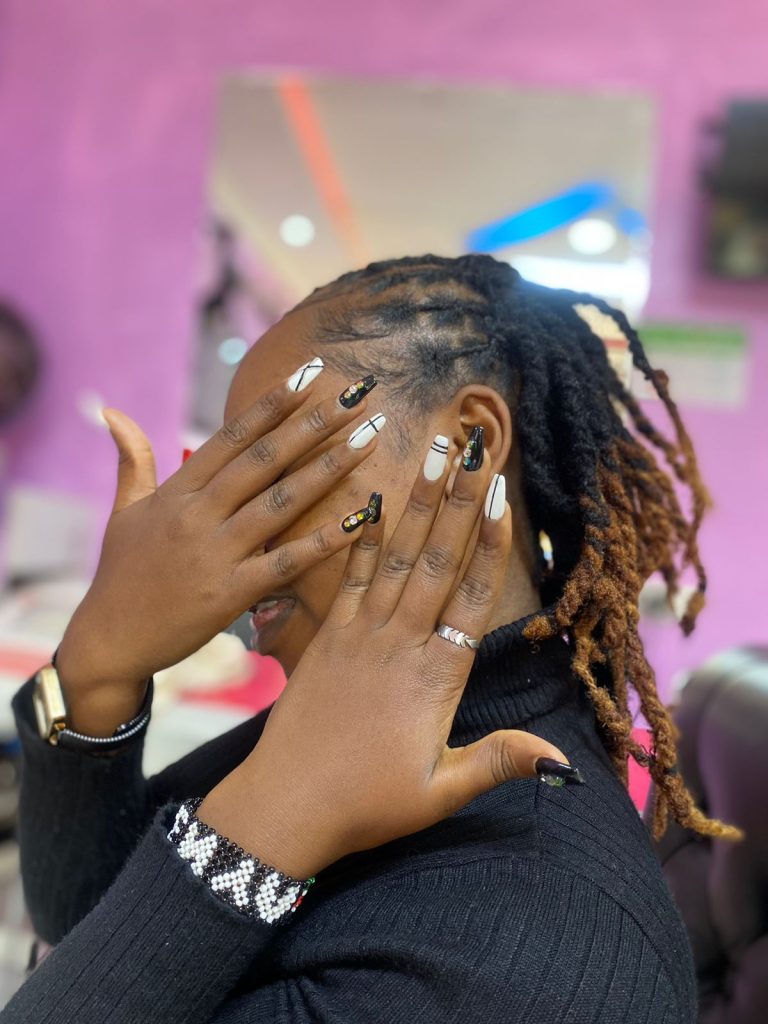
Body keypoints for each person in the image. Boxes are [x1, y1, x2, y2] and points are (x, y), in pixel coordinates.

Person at [4, 254, 743, 1023]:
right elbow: (87, 924)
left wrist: (266, 822)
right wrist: (98, 667)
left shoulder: (522, 961)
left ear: (470, 443)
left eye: (275, 471)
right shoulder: (361, 710)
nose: (232, 541)